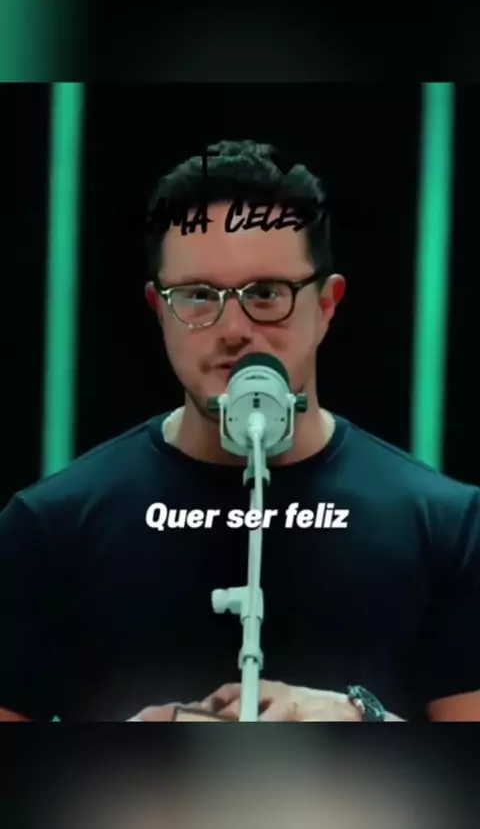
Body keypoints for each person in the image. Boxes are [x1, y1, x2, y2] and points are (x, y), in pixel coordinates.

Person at [1, 139, 479, 722]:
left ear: (327, 305)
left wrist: (366, 721)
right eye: (199, 296)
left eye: (267, 294)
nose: (233, 329)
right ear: (159, 309)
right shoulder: (48, 527)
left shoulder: (447, 526)